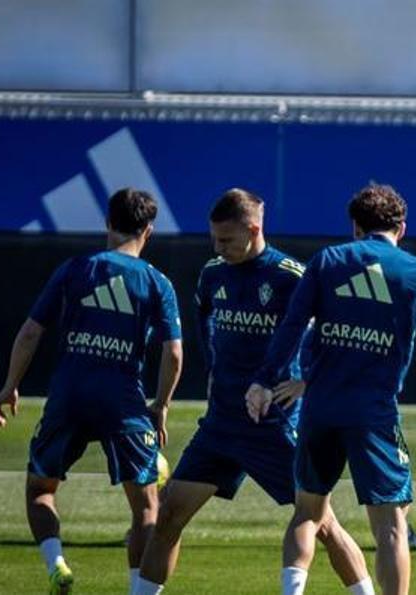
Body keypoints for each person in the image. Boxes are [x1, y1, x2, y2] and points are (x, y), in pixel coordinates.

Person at [247, 183, 416, 595]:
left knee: (307, 513)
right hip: (372, 414)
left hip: (320, 408)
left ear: (355, 226)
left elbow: (292, 326)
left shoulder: (327, 260)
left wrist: (263, 379)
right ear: (402, 227)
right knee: (392, 526)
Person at [133, 189, 370, 595]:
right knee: (169, 513)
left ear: (254, 229)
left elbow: (339, 333)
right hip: (221, 424)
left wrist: (308, 380)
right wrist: (213, 369)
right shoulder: (213, 274)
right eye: (213, 238)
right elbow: (204, 320)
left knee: (322, 523)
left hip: (273, 425)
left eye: (226, 239)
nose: (217, 247)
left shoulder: (291, 277)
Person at [0, 188, 183, 595]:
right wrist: (161, 405)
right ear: (148, 231)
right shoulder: (157, 282)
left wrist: (10, 385)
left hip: (69, 396)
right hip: (123, 402)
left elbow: (30, 332)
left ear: (107, 223)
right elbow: (174, 353)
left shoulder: (75, 269)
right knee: (146, 507)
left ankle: (57, 564)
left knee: (40, 490)